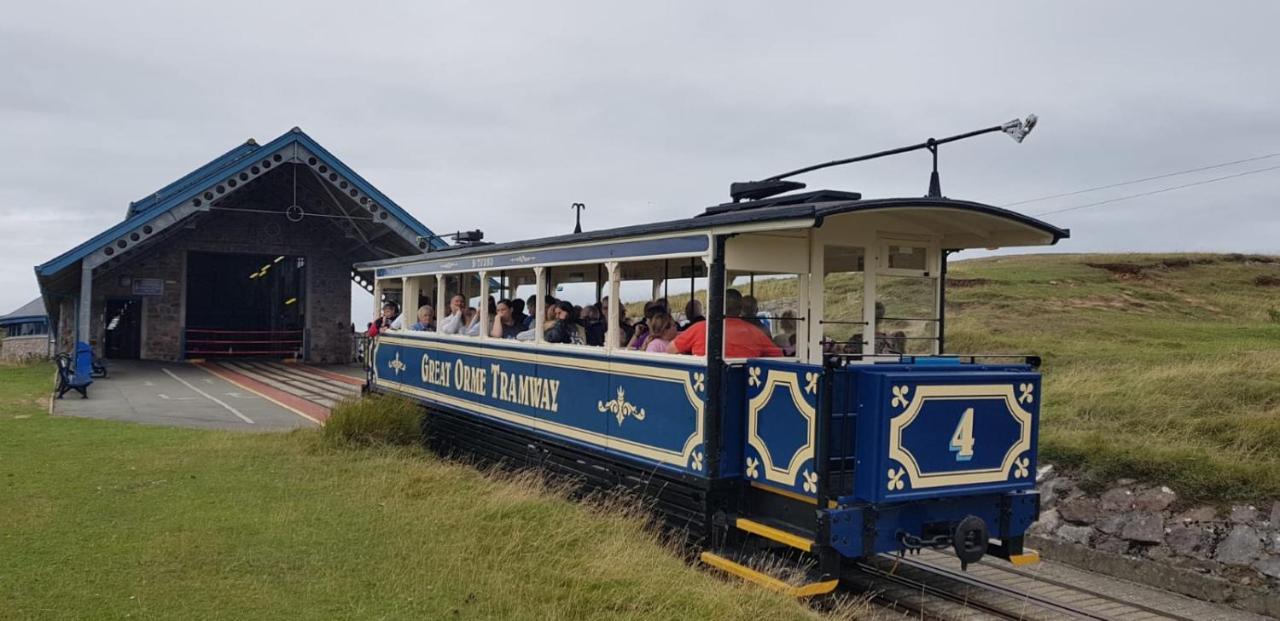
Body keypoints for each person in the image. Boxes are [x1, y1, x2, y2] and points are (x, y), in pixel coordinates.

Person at [668, 289, 782, 358]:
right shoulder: (755, 332)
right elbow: (778, 356)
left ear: (718, 306)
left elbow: (670, 350)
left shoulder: (700, 328)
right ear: (740, 308)